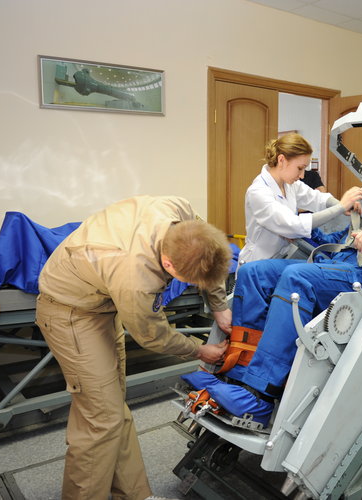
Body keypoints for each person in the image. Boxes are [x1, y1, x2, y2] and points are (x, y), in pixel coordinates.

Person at [184, 171, 362, 426]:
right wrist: (299, 225)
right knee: (254, 272)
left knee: (297, 277)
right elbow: (333, 241)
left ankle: (258, 394)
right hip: (334, 265)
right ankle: (235, 372)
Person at [36, 195, 232, 500]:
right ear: (168, 264)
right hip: (70, 313)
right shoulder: (136, 275)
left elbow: (209, 252)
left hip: (101, 303)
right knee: (101, 419)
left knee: (114, 409)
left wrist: (219, 305)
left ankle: (134, 495)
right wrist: (199, 349)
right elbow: (152, 335)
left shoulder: (178, 210)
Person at [239, 133, 362, 265]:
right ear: (281, 160)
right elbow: (295, 225)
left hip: (282, 259)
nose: (302, 175)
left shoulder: (290, 185)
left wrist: (343, 204)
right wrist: (341, 207)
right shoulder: (258, 192)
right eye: (300, 168)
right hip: (258, 263)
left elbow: (318, 198)